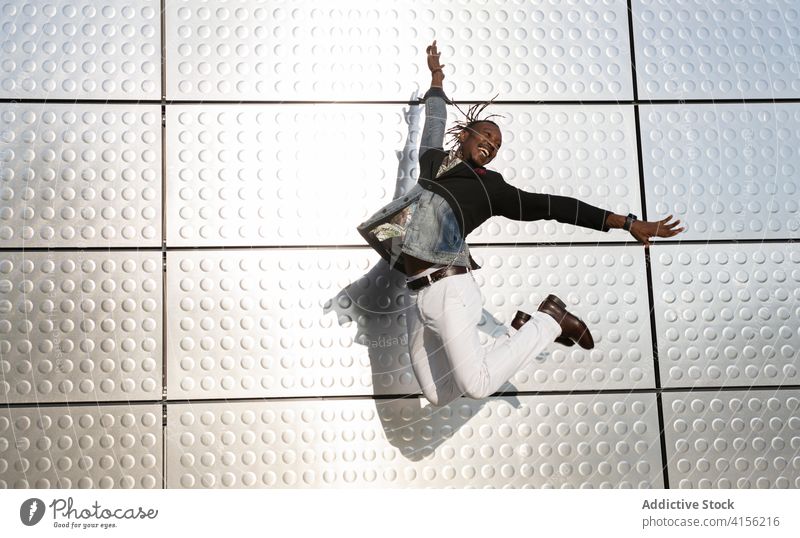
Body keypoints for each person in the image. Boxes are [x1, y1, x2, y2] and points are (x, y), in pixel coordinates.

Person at [357, 41, 684, 407]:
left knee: (478, 385)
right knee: (438, 395)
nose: (492, 146)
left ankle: (551, 320)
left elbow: (553, 206)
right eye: (487, 137)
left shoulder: (490, 188)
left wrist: (625, 222)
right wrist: (436, 78)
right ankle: (518, 332)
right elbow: (435, 123)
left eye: (497, 146)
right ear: (465, 136)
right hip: (419, 294)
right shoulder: (433, 163)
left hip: (451, 288)